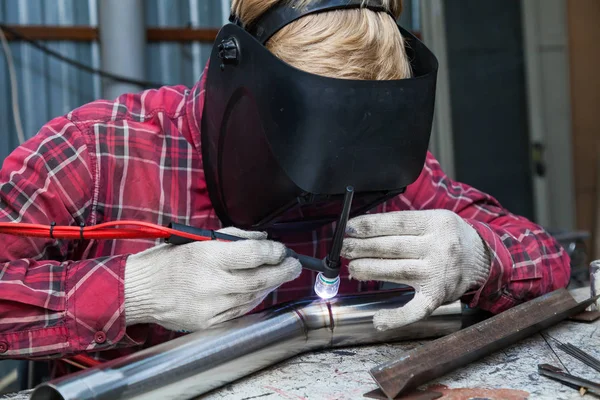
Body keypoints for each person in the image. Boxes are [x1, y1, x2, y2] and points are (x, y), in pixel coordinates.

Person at [0, 0, 568, 373]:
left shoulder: (393, 177)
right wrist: (133, 291)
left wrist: (478, 258)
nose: (332, 191)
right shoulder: (100, 150)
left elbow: (547, 260)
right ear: (238, 86)